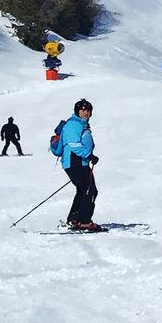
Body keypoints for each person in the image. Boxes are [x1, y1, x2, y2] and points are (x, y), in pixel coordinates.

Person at [54, 98, 101, 231]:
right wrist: (89, 155)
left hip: (79, 162)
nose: (86, 113)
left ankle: (74, 219)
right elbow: (74, 145)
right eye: (83, 110)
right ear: (77, 111)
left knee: (83, 190)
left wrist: (88, 156)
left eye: (88, 110)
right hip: (75, 162)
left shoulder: (81, 125)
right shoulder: (74, 124)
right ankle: (84, 221)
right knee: (89, 191)